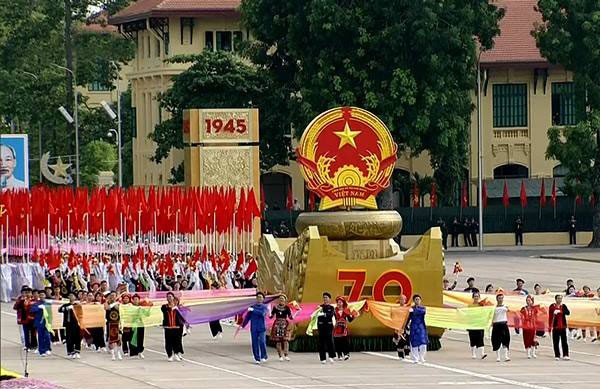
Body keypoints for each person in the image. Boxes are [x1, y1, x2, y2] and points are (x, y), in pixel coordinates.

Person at [242, 291, 269, 364]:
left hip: (261, 328)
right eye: (258, 297)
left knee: (262, 342)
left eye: (260, 297)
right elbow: (248, 317)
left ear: (263, 299)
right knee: (254, 343)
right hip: (253, 328)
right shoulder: (252, 307)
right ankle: (257, 358)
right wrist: (243, 325)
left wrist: (254, 310)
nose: (259, 299)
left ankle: (264, 356)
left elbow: (262, 314)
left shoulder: (264, 307)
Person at [161, 292, 186, 362]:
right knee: (168, 342)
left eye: (170, 297)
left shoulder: (178, 308)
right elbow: (165, 311)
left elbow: (182, 316)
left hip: (176, 327)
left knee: (177, 341)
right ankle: (170, 355)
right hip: (168, 327)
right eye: (168, 297)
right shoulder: (164, 307)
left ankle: (176, 353)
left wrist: (177, 309)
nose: (169, 298)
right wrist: (172, 308)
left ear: (173, 298)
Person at [269, 294, 293, 361]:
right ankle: (280, 356)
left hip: (285, 325)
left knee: (285, 340)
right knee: (278, 341)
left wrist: (293, 314)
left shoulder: (287, 308)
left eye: (283, 298)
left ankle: (286, 354)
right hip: (277, 324)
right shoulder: (275, 307)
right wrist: (268, 314)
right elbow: (271, 316)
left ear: (285, 300)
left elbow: (290, 317)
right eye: (280, 298)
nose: (281, 300)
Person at [58, 292, 82, 359]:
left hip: (77, 324)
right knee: (69, 338)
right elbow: (59, 310)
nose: (71, 297)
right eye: (70, 295)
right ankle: (70, 351)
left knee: (77, 338)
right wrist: (67, 308)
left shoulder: (77, 305)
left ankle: (77, 351)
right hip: (68, 324)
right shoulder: (66, 305)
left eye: (72, 296)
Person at [333, 296, 356, 361]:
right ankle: (339, 355)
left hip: (343, 328)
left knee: (345, 342)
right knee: (337, 342)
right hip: (336, 328)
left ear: (343, 303)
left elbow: (350, 320)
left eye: (340, 302)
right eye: (338, 302)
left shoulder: (346, 310)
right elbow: (332, 318)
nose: (339, 303)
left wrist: (353, 316)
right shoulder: (334, 310)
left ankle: (346, 354)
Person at [30, 290, 52, 356]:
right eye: (41, 295)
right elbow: (32, 310)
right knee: (40, 337)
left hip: (47, 322)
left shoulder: (48, 303)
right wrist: (38, 308)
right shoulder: (36, 304)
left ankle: (47, 348)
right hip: (39, 322)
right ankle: (42, 351)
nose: (42, 296)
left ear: (45, 296)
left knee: (47, 336)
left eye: (43, 295)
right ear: (39, 296)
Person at [549, 294, 570, 360]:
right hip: (555, 327)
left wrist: (561, 311)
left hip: (563, 326)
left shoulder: (563, 306)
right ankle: (557, 355)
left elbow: (568, 313)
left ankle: (565, 354)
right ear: (556, 299)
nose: (559, 300)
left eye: (560, 298)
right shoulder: (552, 306)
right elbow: (550, 315)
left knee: (564, 341)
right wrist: (550, 326)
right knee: (556, 342)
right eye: (558, 298)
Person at [317, 292, 336, 364]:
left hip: (328, 326)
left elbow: (330, 315)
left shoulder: (331, 307)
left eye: (326, 297)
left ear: (329, 299)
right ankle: (323, 358)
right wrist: (320, 313)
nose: (325, 299)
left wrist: (323, 314)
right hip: (321, 326)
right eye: (324, 297)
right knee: (321, 342)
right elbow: (317, 316)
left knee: (330, 341)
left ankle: (331, 356)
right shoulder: (320, 307)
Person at [104, 291, 123, 360]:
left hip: (117, 323)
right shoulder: (107, 303)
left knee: (119, 338)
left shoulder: (119, 303)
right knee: (110, 339)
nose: (112, 297)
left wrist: (116, 304)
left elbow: (120, 309)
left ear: (116, 296)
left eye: (114, 295)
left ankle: (118, 352)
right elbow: (107, 308)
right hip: (110, 323)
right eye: (111, 295)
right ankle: (112, 354)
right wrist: (112, 304)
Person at [408, 295, 427, 364]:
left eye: (418, 299)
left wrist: (414, 310)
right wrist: (405, 326)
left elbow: (423, 312)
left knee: (423, 342)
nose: (417, 301)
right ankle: (416, 358)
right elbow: (408, 318)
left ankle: (422, 357)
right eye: (416, 299)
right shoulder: (411, 309)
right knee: (414, 342)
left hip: (421, 326)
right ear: (414, 300)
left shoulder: (423, 308)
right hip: (413, 326)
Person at [468, 292, 487, 359]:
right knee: (472, 339)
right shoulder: (470, 306)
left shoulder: (481, 305)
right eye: (475, 296)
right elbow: (468, 315)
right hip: (472, 324)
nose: (476, 297)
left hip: (480, 324)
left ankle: (482, 354)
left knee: (480, 338)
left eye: (477, 296)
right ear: (473, 298)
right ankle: (473, 354)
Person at [492, 293, 511, 362]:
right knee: (496, 341)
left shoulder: (505, 306)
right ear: (497, 299)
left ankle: (506, 356)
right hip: (496, 325)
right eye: (499, 298)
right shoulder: (494, 307)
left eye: (502, 298)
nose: (500, 300)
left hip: (503, 324)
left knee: (505, 340)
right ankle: (498, 357)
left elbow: (509, 310)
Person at [393, 295, 410, 359]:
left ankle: (407, 353)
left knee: (406, 340)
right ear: (399, 300)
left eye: (403, 299)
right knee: (399, 341)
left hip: (406, 326)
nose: (402, 300)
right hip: (398, 326)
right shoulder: (396, 309)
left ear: (405, 300)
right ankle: (400, 355)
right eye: (401, 299)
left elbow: (409, 318)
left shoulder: (407, 309)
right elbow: (394, 317)